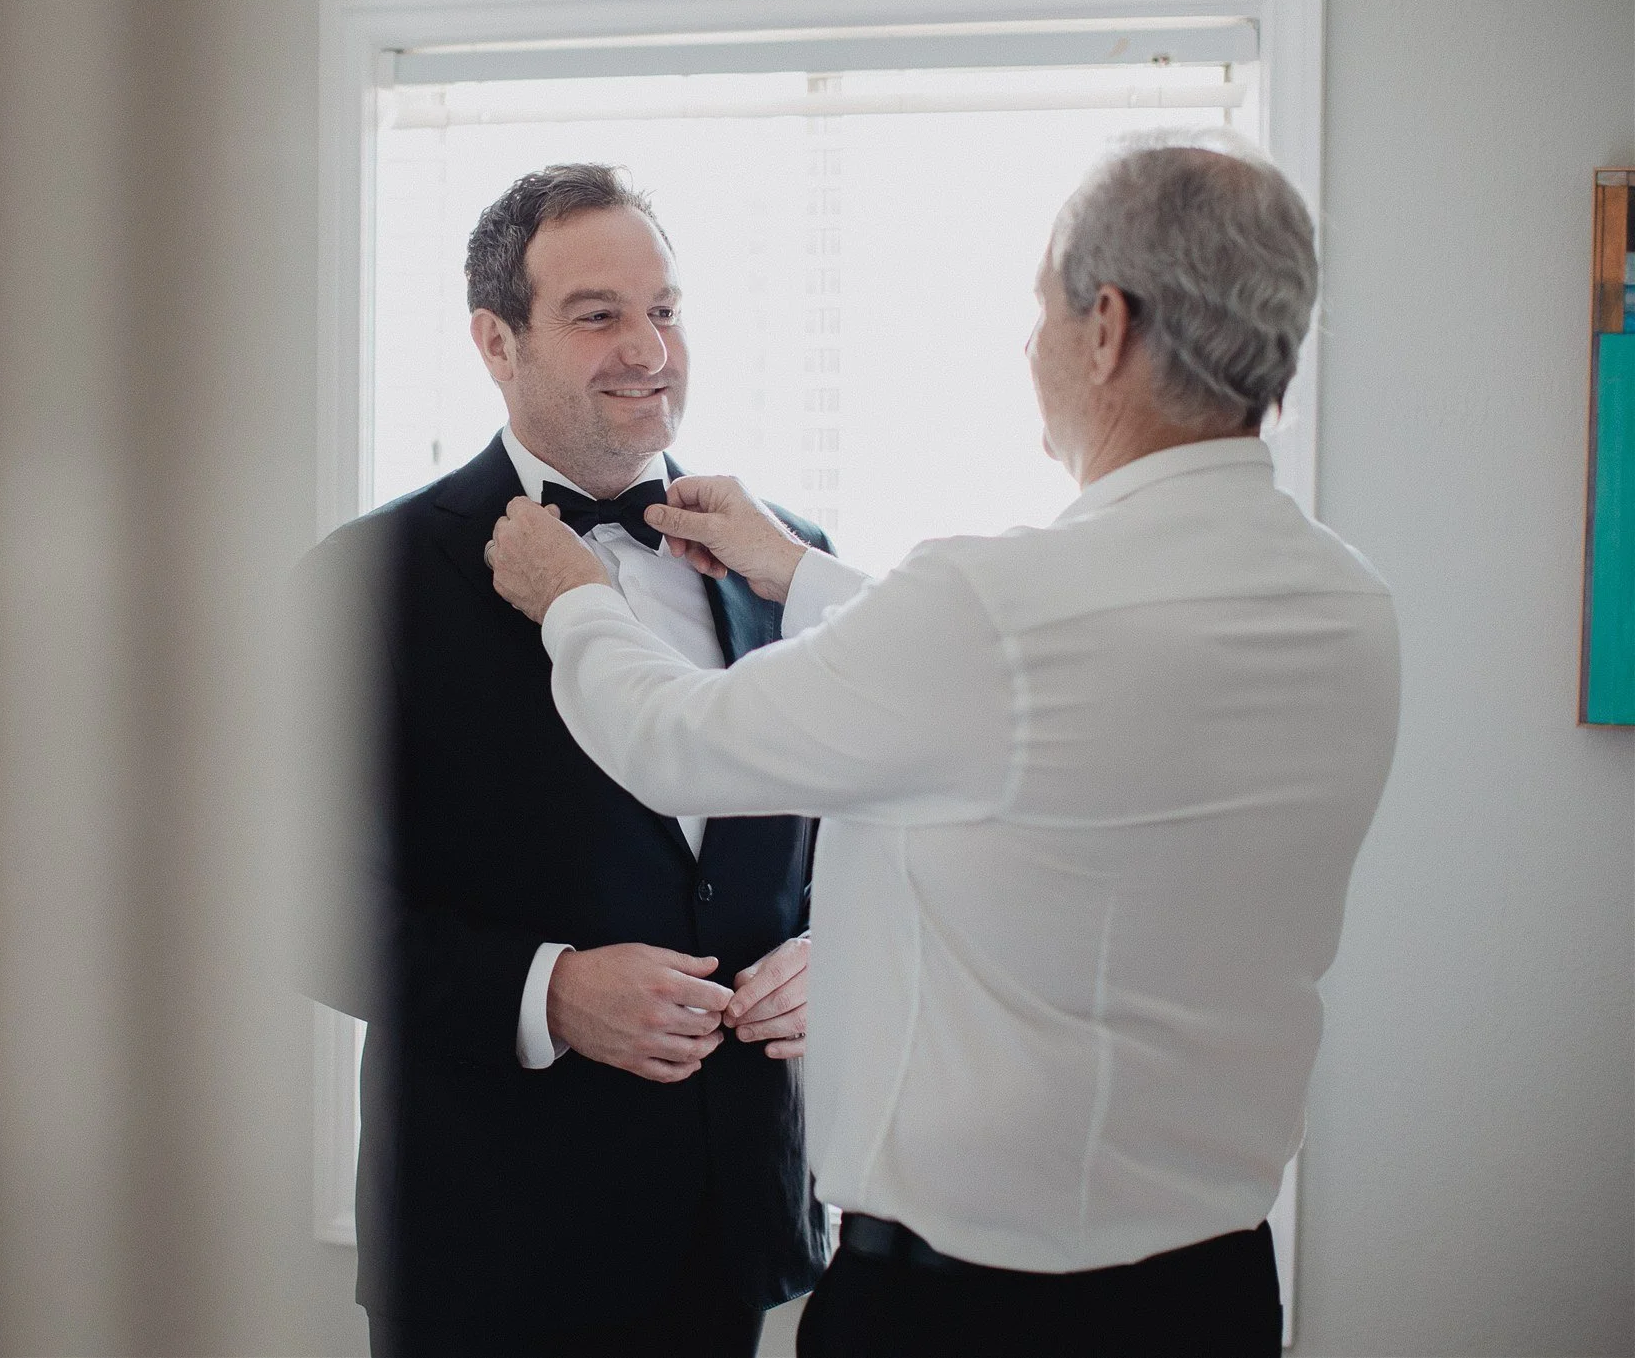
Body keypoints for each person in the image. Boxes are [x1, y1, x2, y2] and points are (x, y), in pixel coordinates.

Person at [487, 133, 1401, 1355]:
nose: (1028, 347)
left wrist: (574, 600)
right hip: (1213, 1294)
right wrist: (802, 575)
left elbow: (674, 739)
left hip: (965, 1312)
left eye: (1040, 308)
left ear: (1105, 327)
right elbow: (1056, 699)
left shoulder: (996, 608)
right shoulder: (1347, 605)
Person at [303, 163, 830, 1358]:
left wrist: (829, 955)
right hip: (487, 1243)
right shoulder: (367, 580)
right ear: (496, 341)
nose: (648, 348)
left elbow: (855, 832)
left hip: (730, 1223)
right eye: (598, 314)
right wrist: (545, 992)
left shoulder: (789, 558)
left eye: (665, 308)